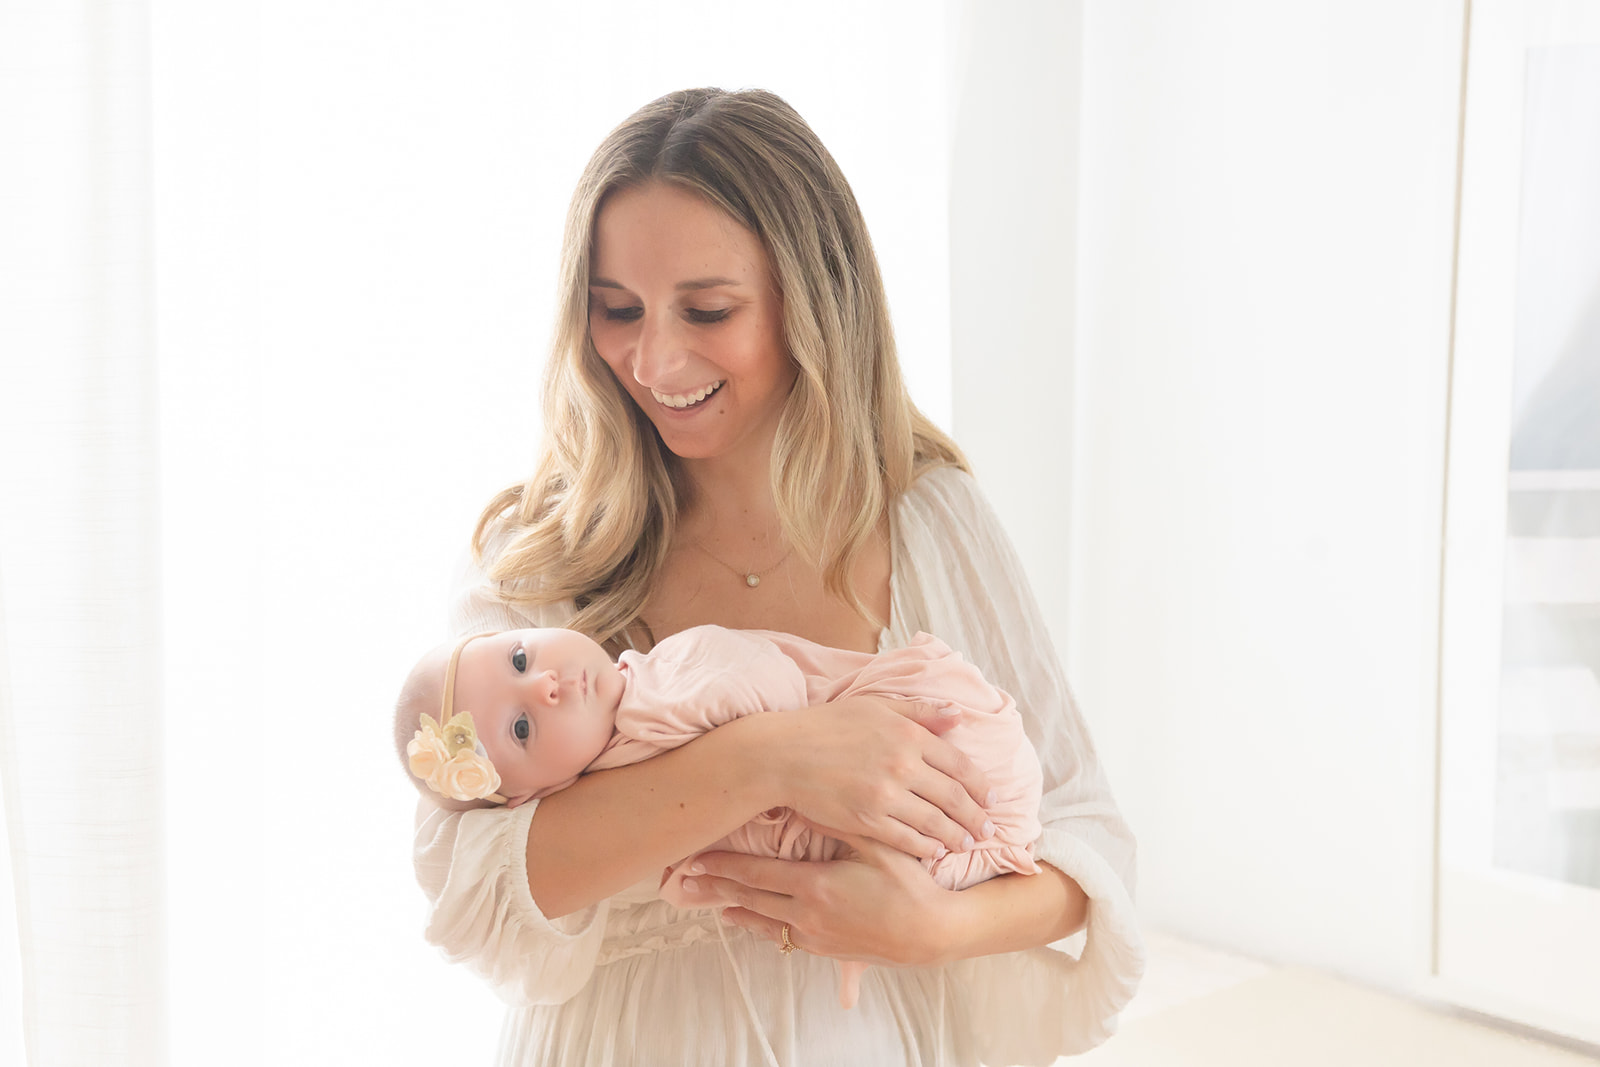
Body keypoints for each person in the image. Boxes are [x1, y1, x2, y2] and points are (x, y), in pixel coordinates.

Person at [413, 87, 1143, 1066]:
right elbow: (477, 881)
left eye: (707, 310)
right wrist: (774, 757)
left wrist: (931, 926)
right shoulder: (540, 552)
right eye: (616, 308)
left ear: (812, 300)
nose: (654, 356)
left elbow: (1081, 834)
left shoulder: (928, 522)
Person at [396, 623, 1046, 1010]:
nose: (545, 684)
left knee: (905, 816)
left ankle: (963, 859)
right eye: (521, 725)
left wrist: (763, 763)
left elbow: (789, 708)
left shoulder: (665, 682)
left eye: (519, 657)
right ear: (525, 797)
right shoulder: (611, 765)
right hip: (880, 814)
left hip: (933, 727)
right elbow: (701, 854)